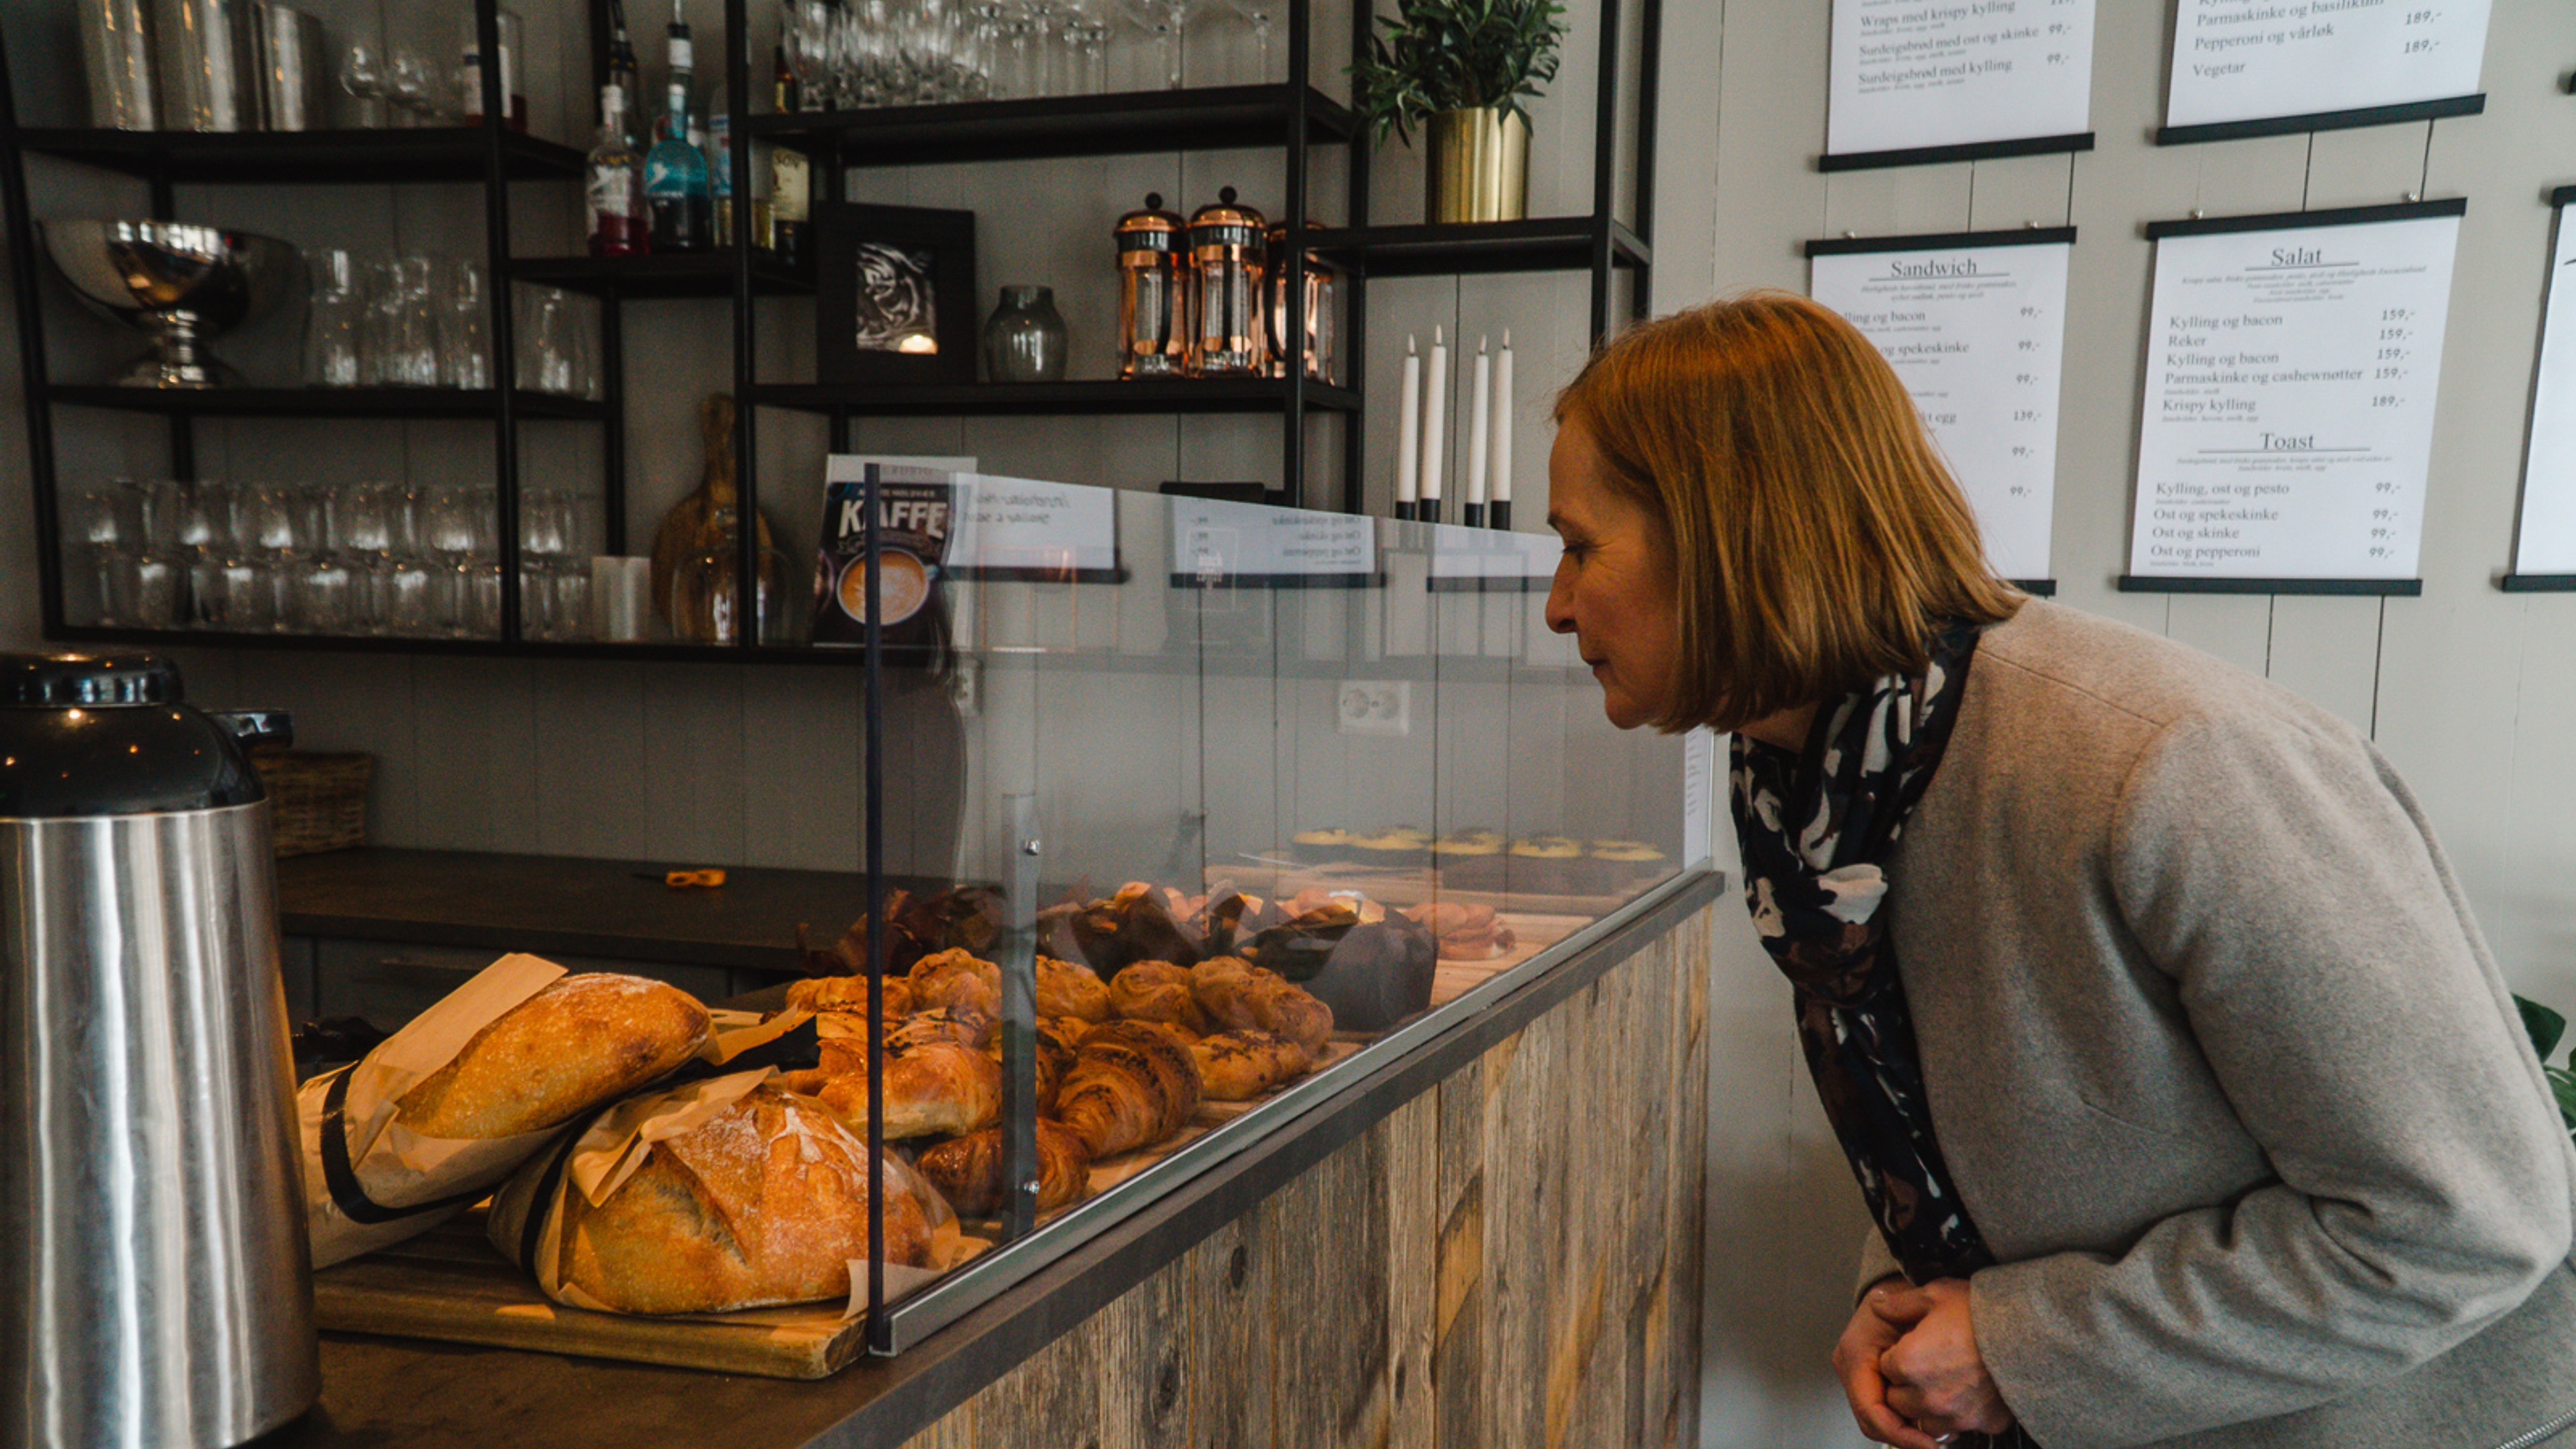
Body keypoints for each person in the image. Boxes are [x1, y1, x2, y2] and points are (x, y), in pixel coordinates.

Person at [1542, 290, 2576, 1449]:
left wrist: (2024, 1345)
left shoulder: (2169, 762)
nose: (1556, 603)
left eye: (1581, 544)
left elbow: (2468, 1222)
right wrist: (1906, 1288)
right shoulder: (1806, 781)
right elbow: (1967, 1112)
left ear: (1731, 529)